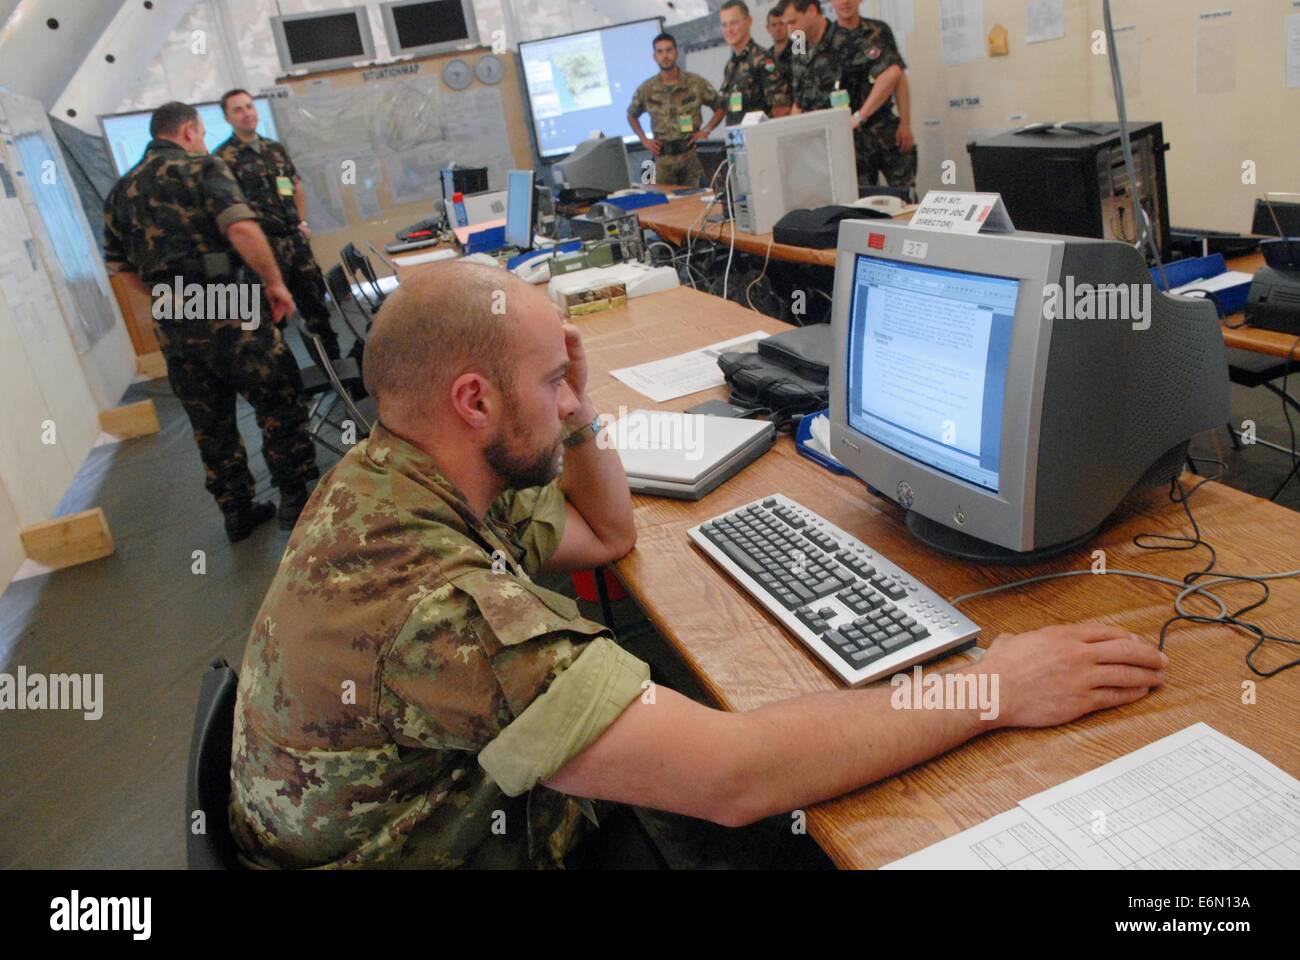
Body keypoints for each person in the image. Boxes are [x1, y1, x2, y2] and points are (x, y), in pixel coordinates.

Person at [227, 259, 1168, 869]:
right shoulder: (440, 610)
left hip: (429, 817)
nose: (567, 404)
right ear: (473, 401)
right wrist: (991, 687)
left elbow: (608, 536)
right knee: (782, 823)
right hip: (459, 853)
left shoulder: (400, 473)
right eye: (551, 383)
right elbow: (731, 776)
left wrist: (576, 406)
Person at [103, 102, 319, 542]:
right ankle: (294, 499)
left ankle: (237, 512)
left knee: (209, 419)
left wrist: (174, 295)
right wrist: (275, 284)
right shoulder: (203, 168)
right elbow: (241, 229)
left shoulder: (120, 191)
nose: (202, 139)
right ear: (187, 131)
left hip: (173, 310)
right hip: (228, 299)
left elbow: (119, 267)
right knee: (276, 395)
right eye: (200, 132)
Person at [214, 89, 342, 361]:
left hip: (294, 241)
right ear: (227, 118)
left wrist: (301, 221)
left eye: (250, 106)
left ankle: (337, 371)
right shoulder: (222, 160)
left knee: (317, 309)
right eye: (238, 109)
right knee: (274, 322)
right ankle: (292, 384)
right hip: (264, 250)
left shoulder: (274, 149)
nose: (247, 113)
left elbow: (293, 185)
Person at [828, 0, 917, 190]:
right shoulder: (827, 39)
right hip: (851, 137)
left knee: (906, 195)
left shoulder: (878, 30)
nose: (845, 2)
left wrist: (905, 123)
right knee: (862, 205)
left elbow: (898, 76)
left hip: (885, 128)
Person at [627, 32, 725, 187]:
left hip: (692, 158)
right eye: (660, 51)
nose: (665, 56)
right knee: (663, 206)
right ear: (654, 56)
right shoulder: (647, 89)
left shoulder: (695, 83)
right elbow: (632, 115)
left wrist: (706, 130)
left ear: (676, 52)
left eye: (669, 50)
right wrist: (644, 140)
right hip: (662, 161)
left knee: (697, 201)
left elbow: (720, 107)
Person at [719, 0, 791, 126]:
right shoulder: (730, 66)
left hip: (759, 141)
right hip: (736, 142)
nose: (729, 29)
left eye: (734, 23)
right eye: (724, 25)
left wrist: (761, 134)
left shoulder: (763, 60)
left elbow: (781, 108)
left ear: (749, 21)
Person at [766, 2, 794, 85]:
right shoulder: (766, 56)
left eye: (781, 23)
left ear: (787, 25)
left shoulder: (797, 50)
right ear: (768, 28)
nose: (778, 28)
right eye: (773, 25)